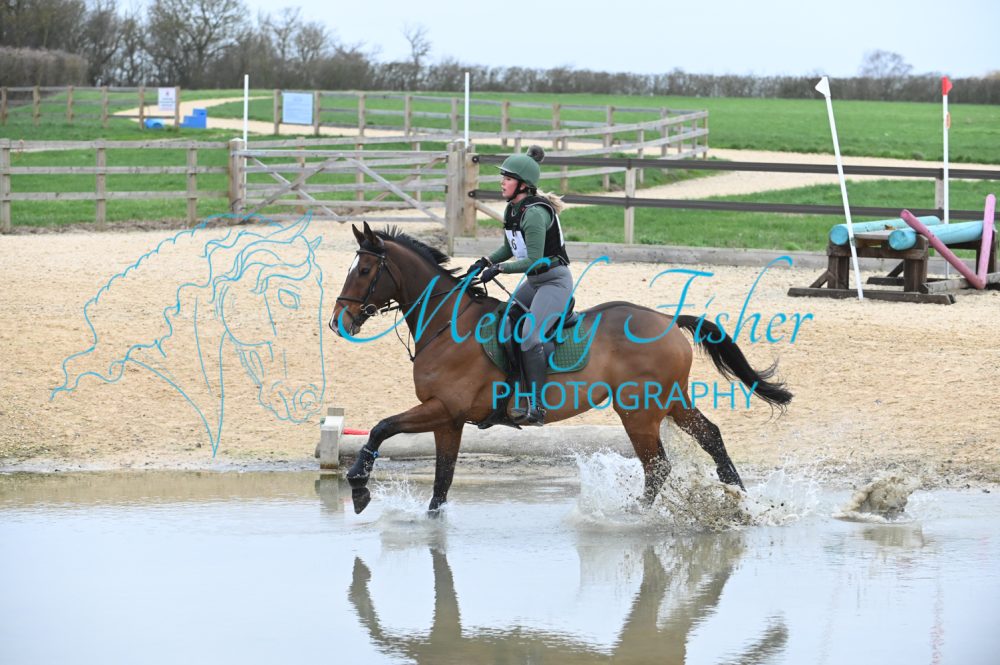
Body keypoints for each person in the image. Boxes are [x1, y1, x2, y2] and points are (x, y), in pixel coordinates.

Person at [466, 145, 571, 426]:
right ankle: (512, 388)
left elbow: (534, 260)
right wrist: (486, 261)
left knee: (530, 337)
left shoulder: (534, 214)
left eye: (508, 178)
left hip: (553, 281)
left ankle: (537, 406)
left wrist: (500, 269)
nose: (502, 182)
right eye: (503, 177)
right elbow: (509, 248)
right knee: (504, 323)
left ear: (523, 184)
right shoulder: (513, 209)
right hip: (534, 282)